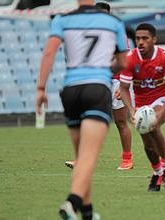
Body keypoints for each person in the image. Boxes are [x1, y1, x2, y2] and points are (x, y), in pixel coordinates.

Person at [35, 0, 128, 220]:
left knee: (81, 158)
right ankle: (71, 203)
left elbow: (49, 52)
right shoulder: (113, 22)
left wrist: (40, 88)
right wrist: (107, 67)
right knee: (88, 158)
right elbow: (122, 63)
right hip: (97, 88)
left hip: (71, 91)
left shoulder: (62, 20)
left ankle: (87, 218)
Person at [64, 1, 134, 171]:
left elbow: (127, 59)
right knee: (86, 119)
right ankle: (80, 158)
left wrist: (124, 85)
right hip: (96, 80)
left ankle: (127, 159)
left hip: (117, 81)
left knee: (120, 121)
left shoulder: (118, 32)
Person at [120, 23, 165, 192]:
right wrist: (131, 110)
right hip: (140, 102)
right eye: (138, 38)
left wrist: (163, 111)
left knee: (153, 124)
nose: (140, 42)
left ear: (154, 39)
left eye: (145, 38)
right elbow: (123, 89)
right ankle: (157, 172)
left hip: (162, 98)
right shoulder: (130, 58)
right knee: (147, 142)